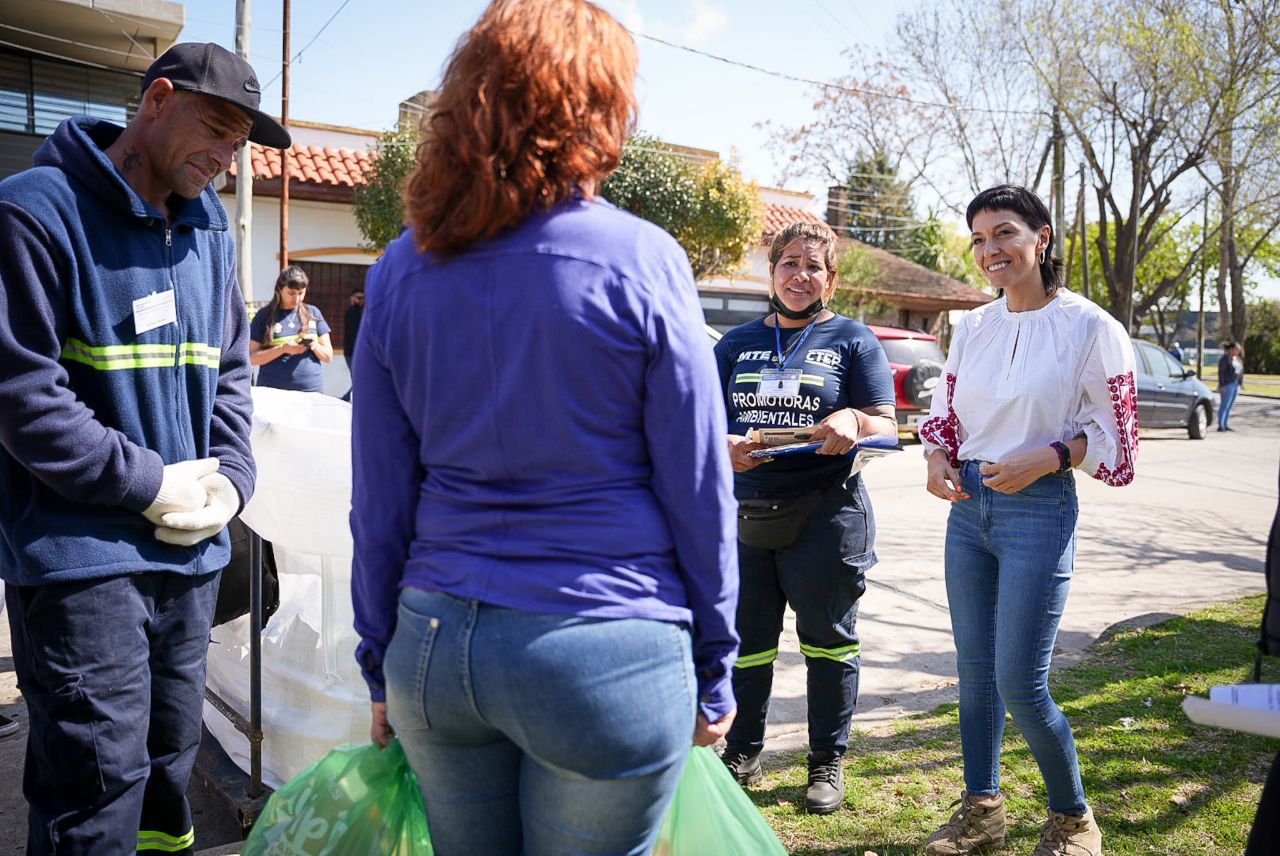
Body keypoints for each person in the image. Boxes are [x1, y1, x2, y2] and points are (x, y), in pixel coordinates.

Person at [349, 2, 739, 854]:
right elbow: (700, 486)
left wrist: (378, 655)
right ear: (599, 108)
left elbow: (378, 495)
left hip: (436, 646)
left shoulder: (402, 268)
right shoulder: (641, 260)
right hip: (606, 646)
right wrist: (715, 663)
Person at [0, 42, 285, 853]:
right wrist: (149, 483)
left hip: (188, 564)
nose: (226, 158)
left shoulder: (209, 232)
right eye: (216, 130)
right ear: (157, 101)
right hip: (82, 563)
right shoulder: (35, 212)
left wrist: (233, 479)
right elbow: (21, 393)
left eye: (239, 145)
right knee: (96, 786)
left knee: (167, 772)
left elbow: (231, 374)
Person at [919, 185, 1137, 856]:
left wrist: (1051, 456)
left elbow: (1119, 442)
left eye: (1005, 233)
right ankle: (982, 811)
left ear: (1042, 237)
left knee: (1020, 681)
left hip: (1039, 512)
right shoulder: (972, 328)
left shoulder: (1091, 328)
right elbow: (946, 416)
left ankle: (1074, 819)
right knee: (976, 673)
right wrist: (936, 457)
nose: (991, 250)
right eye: (979, 239)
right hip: (968, 510)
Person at [713, 220, 897, 814]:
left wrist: (855, 420)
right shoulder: (735, 344)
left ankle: (826, 761)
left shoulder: (853, 339)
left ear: (831, 279)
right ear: (772, 272)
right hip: (744, 512)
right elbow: (696, 423)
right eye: (790, 263)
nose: (800, 275)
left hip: (827, 511)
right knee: (747, 642)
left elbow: (887, 425)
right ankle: (743, 750)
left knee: (827, 643)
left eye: (813, 266)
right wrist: (720, 444)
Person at [249, 265, 333, 393]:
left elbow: (328, 356)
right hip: (273, 392)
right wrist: (283, 349)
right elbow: (252, 358)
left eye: (301, 293)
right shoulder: (264, 316)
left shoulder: (313, 313)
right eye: (291, 293)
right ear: (279, 289)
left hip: (311, 391)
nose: (297, 299)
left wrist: (314, 345)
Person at [341, 285, 364, 400]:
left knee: (360, 380)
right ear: (352, 298)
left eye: (363, 298)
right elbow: (354, 334)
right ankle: (345, 400)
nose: (361, 301)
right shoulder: (352, 312)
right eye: (358, 298)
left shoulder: (359, 312)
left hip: (354, 352)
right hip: (353, 352)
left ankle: (346, 399)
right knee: (360, 380)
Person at [1217, 340, 1244, 431]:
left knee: (1230, 406)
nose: (1238, 351)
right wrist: (1222, 385)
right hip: (1227, 385)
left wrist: (1240, 383)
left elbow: (1240, 372)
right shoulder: (1225, 359)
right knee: (1224, 405)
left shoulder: (1237, 359)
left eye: (1239, 349)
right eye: (1237, 349)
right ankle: (1221, 426)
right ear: (1231, 349)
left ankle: (1225, 424)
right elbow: (1221, 372)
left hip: (1236, 385)